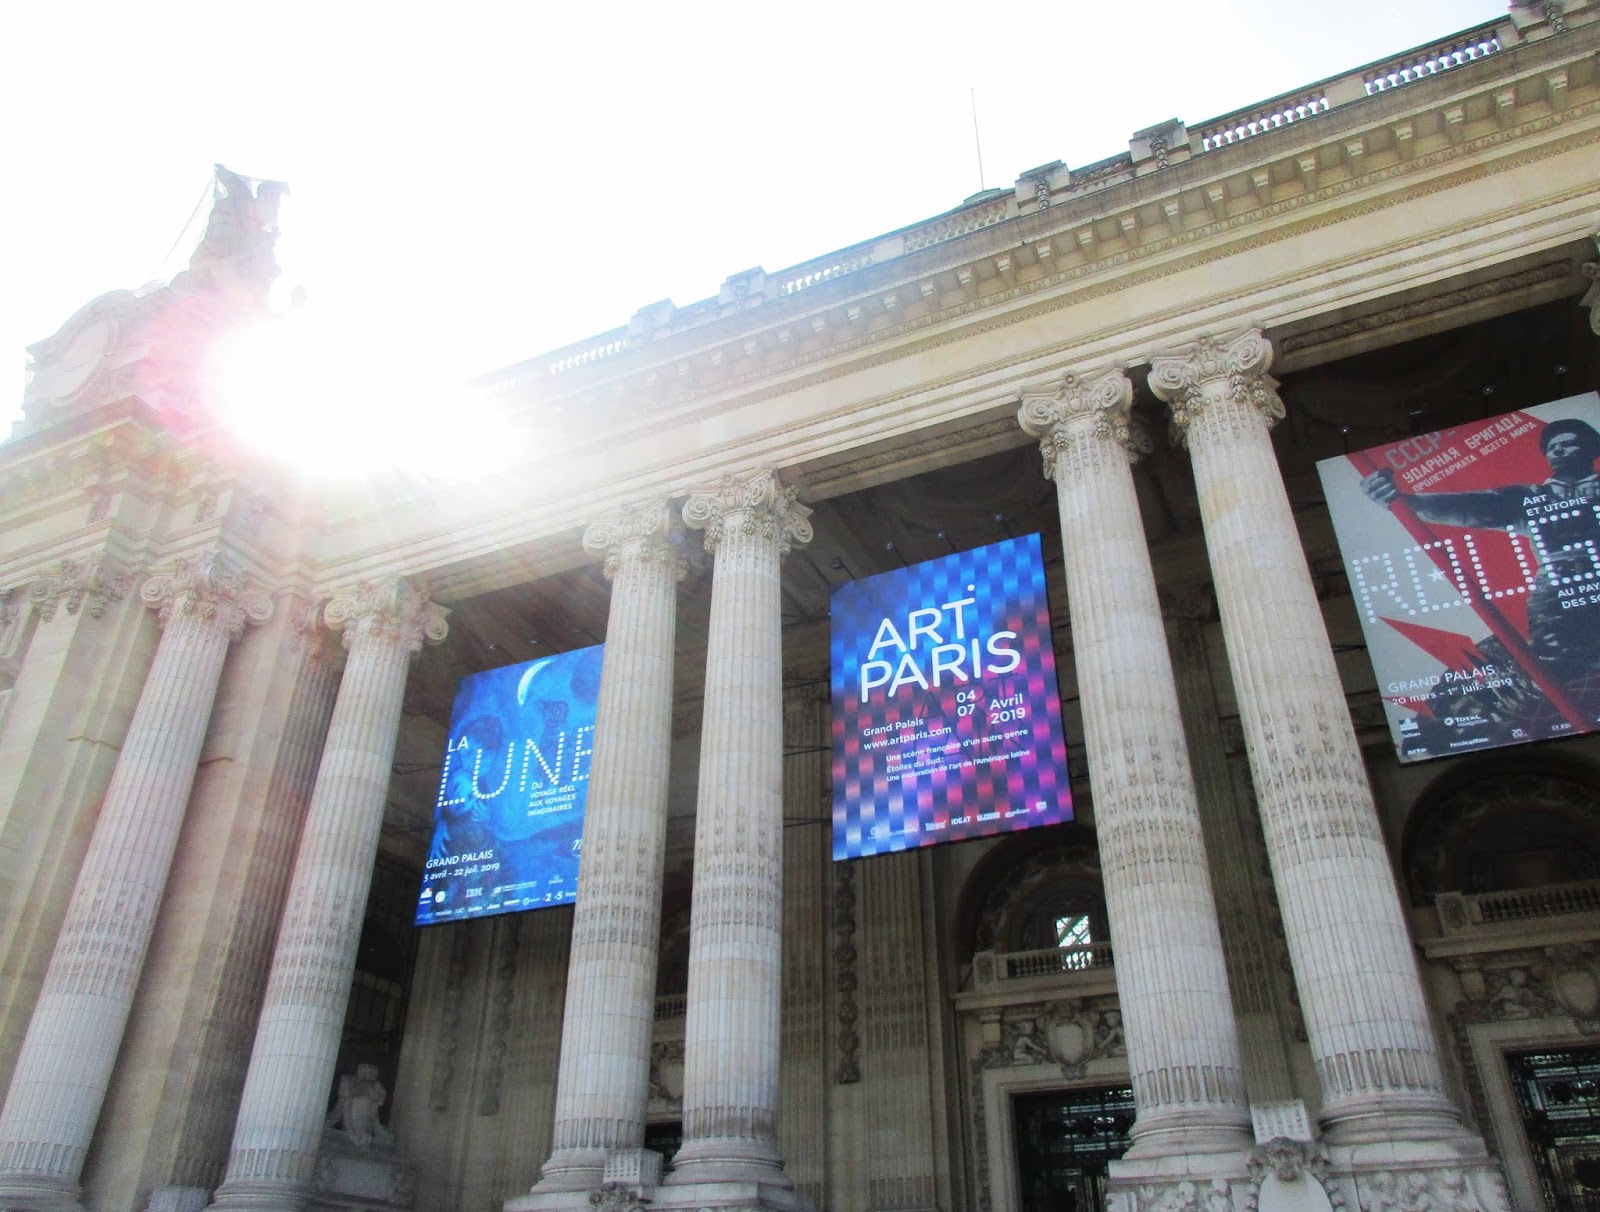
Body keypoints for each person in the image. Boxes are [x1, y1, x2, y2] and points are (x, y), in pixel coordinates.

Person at [1359, 417, 1600, 741]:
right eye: (1552, 446)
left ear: (1590, 449)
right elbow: (1476, 506)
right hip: (1559, 601)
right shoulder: (1530, 498)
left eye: (1568, 443)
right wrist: (1405, 502)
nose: (1558, 450)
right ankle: (1447, 731)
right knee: (1540, 668)